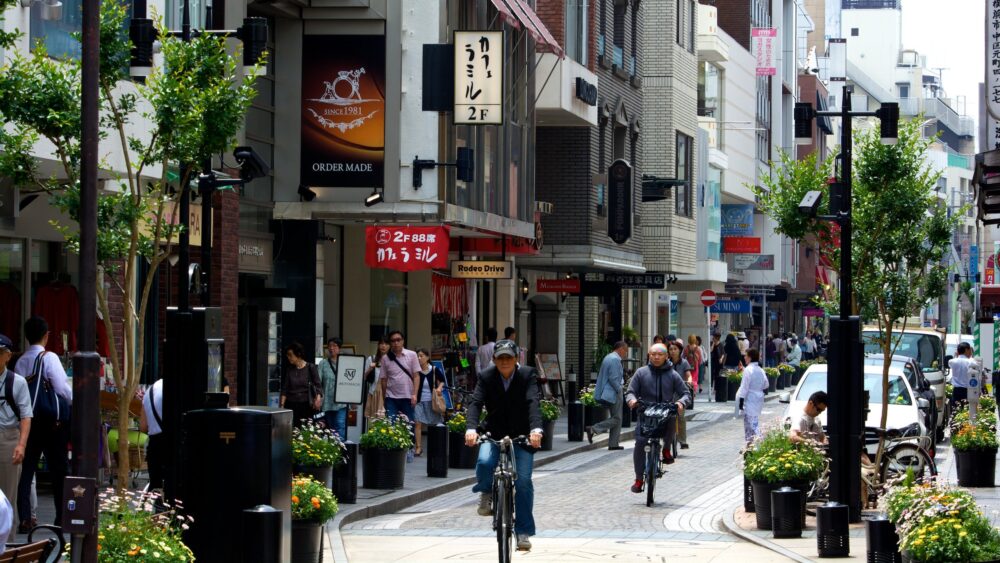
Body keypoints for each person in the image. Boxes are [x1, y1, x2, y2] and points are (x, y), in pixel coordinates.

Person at [465, 339, 543, 552]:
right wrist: (471, 429)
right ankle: (486, 493)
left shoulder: (527, 375)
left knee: (524, 482)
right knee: (483, 462)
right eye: (501, 358)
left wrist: (536, 430)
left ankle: (523, 532)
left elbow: (533, 403)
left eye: (509, 357)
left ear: (517, 358)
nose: (505, 362)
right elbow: (475, 403)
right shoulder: (486, 376)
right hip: (493, 432)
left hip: (522, 435)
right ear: (494, 360)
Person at [14, 316, 70, 530]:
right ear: (46, 336)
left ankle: (26, 517)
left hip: (29, 421)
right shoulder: (50, 357)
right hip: (52, 424)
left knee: (26, 471)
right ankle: (61, 517)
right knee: (59, 470)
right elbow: (62, 389)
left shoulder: (20, 361)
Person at [625, 343, 691, 493]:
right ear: (649, 355)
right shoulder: (641, 373)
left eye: (659, 354)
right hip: (645, 413)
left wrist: (680, 402)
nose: (656, 357)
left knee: (670, 423)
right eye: (653, 354)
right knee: (640, 443)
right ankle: (638, 479)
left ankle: (666, 449)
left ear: (666, 356)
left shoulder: (673, 374)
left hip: (665, 411)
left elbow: (686, 393)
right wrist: (632, 400)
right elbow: (630, 391)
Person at [0, 334, 31, 541]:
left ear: (7, 356)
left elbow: (26, 415)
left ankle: (6, 547)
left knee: (7, 496)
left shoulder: (17, 382)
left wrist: (21, 444)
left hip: (8, 437)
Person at [588, 341, 627, 450]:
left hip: (608, 392)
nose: (626, 354)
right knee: (617, 418)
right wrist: (620, 389)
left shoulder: (609, 357)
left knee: (616, 417)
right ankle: (594, 429)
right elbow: (614, 378)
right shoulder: (614, 359)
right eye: (625, 351)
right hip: (613, 392)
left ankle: (613, 444)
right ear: (620, 349)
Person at [380, 330, 421, 422]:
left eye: (398, 340)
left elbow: (416, 376)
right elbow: (384, 380)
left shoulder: (412, 355)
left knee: (409, 425)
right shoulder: (385, 358)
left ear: (403, 341)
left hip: (408, 396)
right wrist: (384, 398)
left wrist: (415, 394)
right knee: (391, 426)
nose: (396, 343)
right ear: (390, 343)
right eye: (393, 341)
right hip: (391, 397)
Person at [280, 342, 322, 428]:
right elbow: (285, 389)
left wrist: (318, 399)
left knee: (306, 430)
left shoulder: (310, 367)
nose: (288, 358)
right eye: (287, 355)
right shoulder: (289, 370)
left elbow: (318, 385)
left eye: (290, 355)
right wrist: (282, 405)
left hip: (306, 405)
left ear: (298, 354)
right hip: (291, 405)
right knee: (292, 430)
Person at [413, 348, 445, 456]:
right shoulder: (416, 371)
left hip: (432, 401)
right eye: (418, 356)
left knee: (435, 423)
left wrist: (439, 388)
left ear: (427, 357)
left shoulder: (434, 369)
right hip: (419, 401)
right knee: (417, 423)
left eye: (421, 356)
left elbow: (442, 380)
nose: (419, 358)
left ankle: (436, 446)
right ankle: (418, 448)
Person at [736, 349, 769, 443]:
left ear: (750, 357)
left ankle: (760, 442)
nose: (744, 357)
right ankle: (749, 445)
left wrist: (741, 400)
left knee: (750, 424)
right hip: (759, 398)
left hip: (749, 398)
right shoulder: (761, 370)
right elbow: (766, 384)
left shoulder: (748, 370)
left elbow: (744, 387)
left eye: (746, 355)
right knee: (752, 421)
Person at [318, 337, 348, 439]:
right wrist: (318, 398)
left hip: (342, 402)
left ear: (339, 348)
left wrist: (353, 400)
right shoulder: (323, 363)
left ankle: (341, 452)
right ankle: (333, 451)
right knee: (331, 429)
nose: (331, 348)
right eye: (329, 346)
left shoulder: (345, 362)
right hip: (327, 402)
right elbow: (318, 382)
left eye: (334, 346)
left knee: (340, 426)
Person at [139, 379, 165, 491]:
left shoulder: (148, 392)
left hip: (154, 445)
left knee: (156, 490)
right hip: (173, 444)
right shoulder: (179, 388)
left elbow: (143, 427)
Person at [668, 341, 693, 449]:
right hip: (667, 393)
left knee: (681, 417)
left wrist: (689, 381)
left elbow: (688, 375)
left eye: (675, 349)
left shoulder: (684, 363)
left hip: (680, 394)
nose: (673, 351)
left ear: (680, 350)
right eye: (671, 349)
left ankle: (682, 440)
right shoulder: (666, 362)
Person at [363, 337, 390, 422]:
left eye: (386, 344)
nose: (383, 346)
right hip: (374, 392)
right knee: (373, 421)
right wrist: (370, 369)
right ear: (378, 345)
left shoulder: (393, 360)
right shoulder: (371, 359)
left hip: (389, 394)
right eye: (381, 344)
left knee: (388, 420)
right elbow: (363, 377)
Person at [949, 342, 976, 411]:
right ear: (966, 350)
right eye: (969, 349)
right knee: (966, 411)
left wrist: (956, 355)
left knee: (956, 410)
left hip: (956, 390)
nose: (970, 351)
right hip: (967, 390)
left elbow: (953, 361)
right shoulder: (971, 362)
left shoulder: (952, 361)